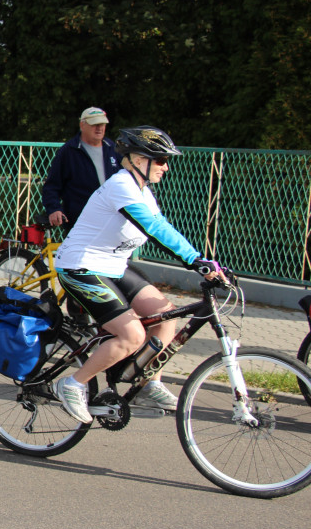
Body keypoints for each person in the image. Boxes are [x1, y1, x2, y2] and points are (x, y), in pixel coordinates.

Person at [53, 127, 225, 424]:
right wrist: (196, 261)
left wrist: (208, 262)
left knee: (167, 315)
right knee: (132, 335)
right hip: (80, 267)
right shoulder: (121, 185)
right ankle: (73, 383)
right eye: (160, 160)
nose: (165, 167)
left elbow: (162, 223)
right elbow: (154, 229)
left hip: (114, 266)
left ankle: (148, 384)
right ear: (137, 159)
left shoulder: (143, 190)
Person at [42, 107, 120, 228]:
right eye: (95, 124)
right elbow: (52, 185)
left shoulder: (113, 149)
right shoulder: (68, 151)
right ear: (82, 125)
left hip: (112, 218)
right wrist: (54, 209)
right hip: (80, 220)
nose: (99, 128)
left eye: (102, 124)